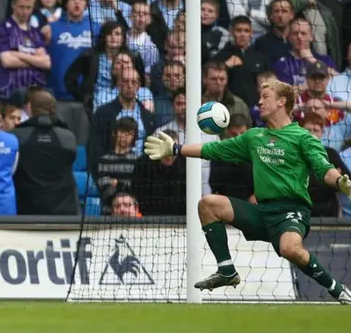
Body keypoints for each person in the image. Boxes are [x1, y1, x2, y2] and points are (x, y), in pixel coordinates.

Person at [143, 79, 351, 304]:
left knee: (290, 249)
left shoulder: (303, 138)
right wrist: (175, 148)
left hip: (291, 211)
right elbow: (212, 149)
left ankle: (336, 288)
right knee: (208, 204)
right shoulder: (254, 137)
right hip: (262, 212)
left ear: (282, 102)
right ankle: (226, 271)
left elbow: (323, 168)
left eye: (266, 97)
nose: (259, 102)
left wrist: (340, 182)